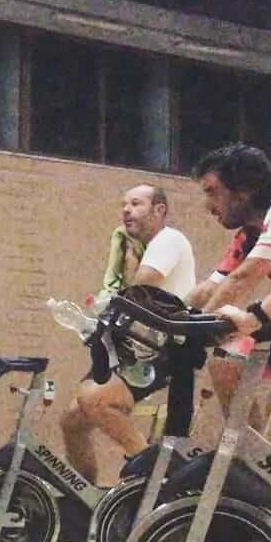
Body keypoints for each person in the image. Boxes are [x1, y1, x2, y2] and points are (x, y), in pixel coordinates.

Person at [60, 184, 196, 485]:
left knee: (95, 400)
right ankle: (85, 496)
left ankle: (157, 478)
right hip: (131, 346)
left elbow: (138, 290)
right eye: (124, 204)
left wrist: (127, 266)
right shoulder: (139, 248)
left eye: (136, 204)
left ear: (159, 210)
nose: (126, 210)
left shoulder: (168, 239)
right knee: (72, 422)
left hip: (161, 349)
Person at [191, 139, 271, 456]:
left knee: (231, 354)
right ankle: (254, 459)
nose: (207, 204)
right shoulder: (250, 235)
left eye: (212, 191)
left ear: (243, 190)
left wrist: (191, 335)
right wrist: (170, 316)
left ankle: (253, 459)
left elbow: (244, 278)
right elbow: (212, 289)